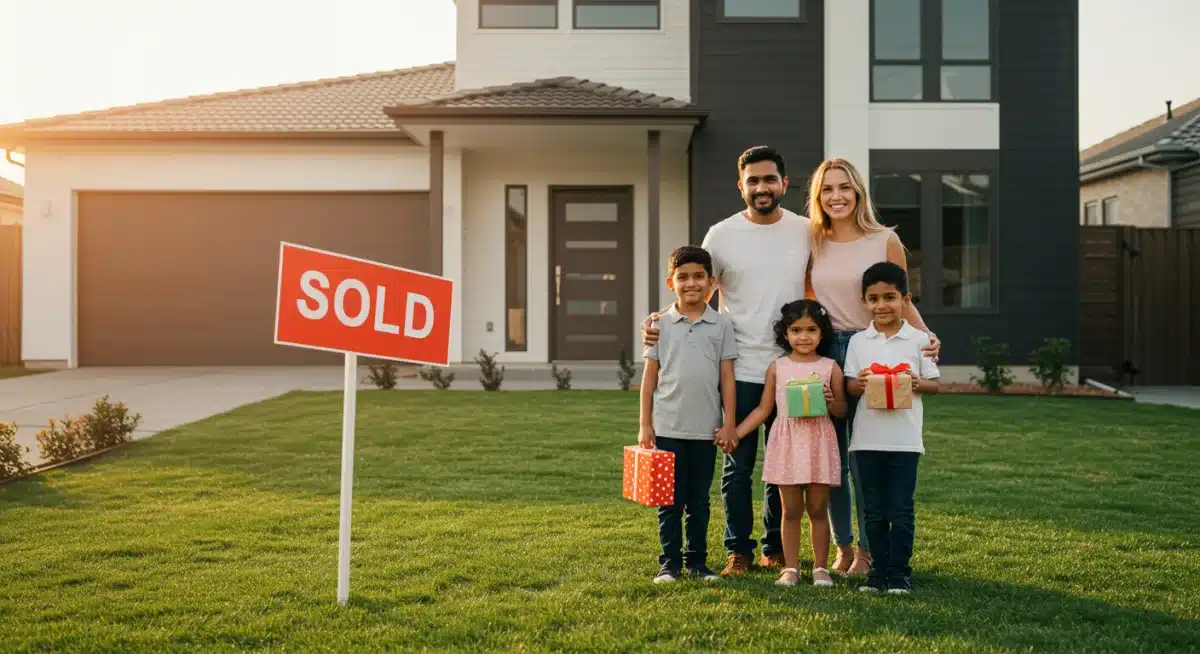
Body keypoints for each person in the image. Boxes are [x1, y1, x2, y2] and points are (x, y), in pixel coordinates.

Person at [642, 145, 810, 576]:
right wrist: (662, 321)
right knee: (737, 465)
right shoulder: (721, 235)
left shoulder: (805, 231)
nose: (761, 187)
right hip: (739, 367)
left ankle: (774, 546)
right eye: (752, 180)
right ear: (741, 187)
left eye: (769, 179)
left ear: (784, 184)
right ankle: (739, 549)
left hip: (790, 369)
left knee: (783, 466)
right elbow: (696, 285)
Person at [805, 157, 942, 577]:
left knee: (865, 454)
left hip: (873, 348)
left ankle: (868, 550)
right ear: (818, 197)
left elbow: (905, 298)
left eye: (844, 187)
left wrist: (927, 337)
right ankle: (843, 547)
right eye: (827, 189)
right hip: (829, 352)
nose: (836, 196)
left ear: (858, 192)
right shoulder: (812, 240)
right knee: (832, 459)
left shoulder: (885, 239)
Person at [638, 245, 739, 584]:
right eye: (683, 277)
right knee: (669, 501)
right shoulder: (659, 324)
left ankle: (697, 563)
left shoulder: (721, 325)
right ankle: (670, 564)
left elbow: (727, 378)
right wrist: (645, 425)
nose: (691, 283)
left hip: (705, 430)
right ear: (671, 283)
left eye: (699, 277)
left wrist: (728, 423)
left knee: (698, 501)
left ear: (712, 283)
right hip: (667, 428)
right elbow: (649, 378)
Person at [733, 299, 847, 587]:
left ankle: (821, 568)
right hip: (786, 443)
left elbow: (842, 411)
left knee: (818, 509)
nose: (804, 336)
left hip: (819, 443)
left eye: (811, 329)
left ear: (822, 333)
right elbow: (763, 410)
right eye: (796, 330)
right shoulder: (777, 367)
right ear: (785, 334)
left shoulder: (830, 368)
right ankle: (791, 568)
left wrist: (832, 403)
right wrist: (735, 432)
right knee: (791, 511)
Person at [842, 261, 940, 594]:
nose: (882, 305)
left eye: (890, 297)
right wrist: (861, 382)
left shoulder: (918, 339)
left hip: (905, 441)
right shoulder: (859, 342)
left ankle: (899, 574)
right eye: (873, 299)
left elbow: (934, 384)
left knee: (900, 509)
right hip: (867, 441)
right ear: (865, 302)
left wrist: (915, 381)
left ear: (905, 299)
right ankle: (876, 574)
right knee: (872, 510)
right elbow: (850, 387)